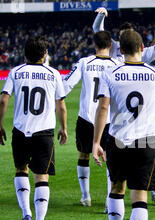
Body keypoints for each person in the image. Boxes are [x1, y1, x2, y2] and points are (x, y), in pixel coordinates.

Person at [92, 30, 155, 220]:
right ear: (142, 47)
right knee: (140, 196)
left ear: (120, 50)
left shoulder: (110, 73)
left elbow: (102, 109)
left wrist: (96, 142)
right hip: (145, 142)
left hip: (117, 141)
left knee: (117, 189)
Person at [93, 7, 155, 207]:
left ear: (122, 47)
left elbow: (103, 107)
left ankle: (117, 207)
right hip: (140, 130)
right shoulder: (154, 72)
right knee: (137, 189)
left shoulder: (114, 66)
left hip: (120, 126)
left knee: (118, 184)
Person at [0, 36, 68, 220]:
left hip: (20, 130)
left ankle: (26, 212)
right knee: (42, 177)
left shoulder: (15, 72)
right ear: (44, 55)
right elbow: (60, 104)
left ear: (25, 54)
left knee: (21, 170)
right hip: (44, 132)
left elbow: (3, 101)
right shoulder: (53, 73)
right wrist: (64, 127)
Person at [63, 31, 121, 208]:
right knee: (110, 159)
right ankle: (108, 201)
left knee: (83, 154)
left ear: (94, 45)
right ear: (110, 45)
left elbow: (66, 84)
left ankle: (85, 196)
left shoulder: (84, 62)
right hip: (109, 119)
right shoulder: (117, 64)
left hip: (86, 117)